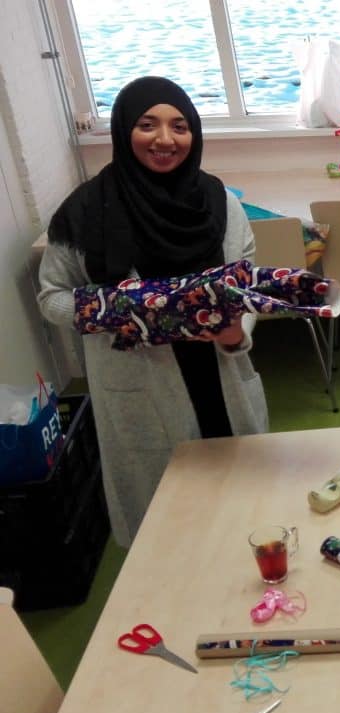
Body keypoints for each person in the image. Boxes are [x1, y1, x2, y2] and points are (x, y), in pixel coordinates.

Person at [38, 76, 267, 547]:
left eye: (179, 126)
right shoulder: (84, 212)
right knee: (168, 529)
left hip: (219, 376)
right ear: (124, 131)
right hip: (140, 386)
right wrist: (113, 308)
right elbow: (51, 296)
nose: (165, 139)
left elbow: (245, 285)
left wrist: (234, 333)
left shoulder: (219, 202)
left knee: (247, 512)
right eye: (148, 125)